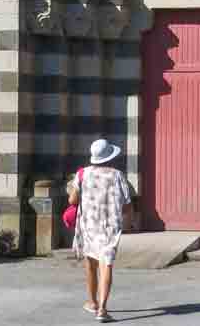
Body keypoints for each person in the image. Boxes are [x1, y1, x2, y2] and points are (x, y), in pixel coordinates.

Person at [70, 138, 132, 323]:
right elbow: (127, 205)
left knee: (91, 263)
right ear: (110, 157)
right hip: (110, 227)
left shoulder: (82, 174)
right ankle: (103, 309)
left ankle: (92, 302)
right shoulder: (118, 176)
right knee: (107, 265)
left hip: (89, 225)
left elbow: (72, 201)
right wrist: (129, 221)